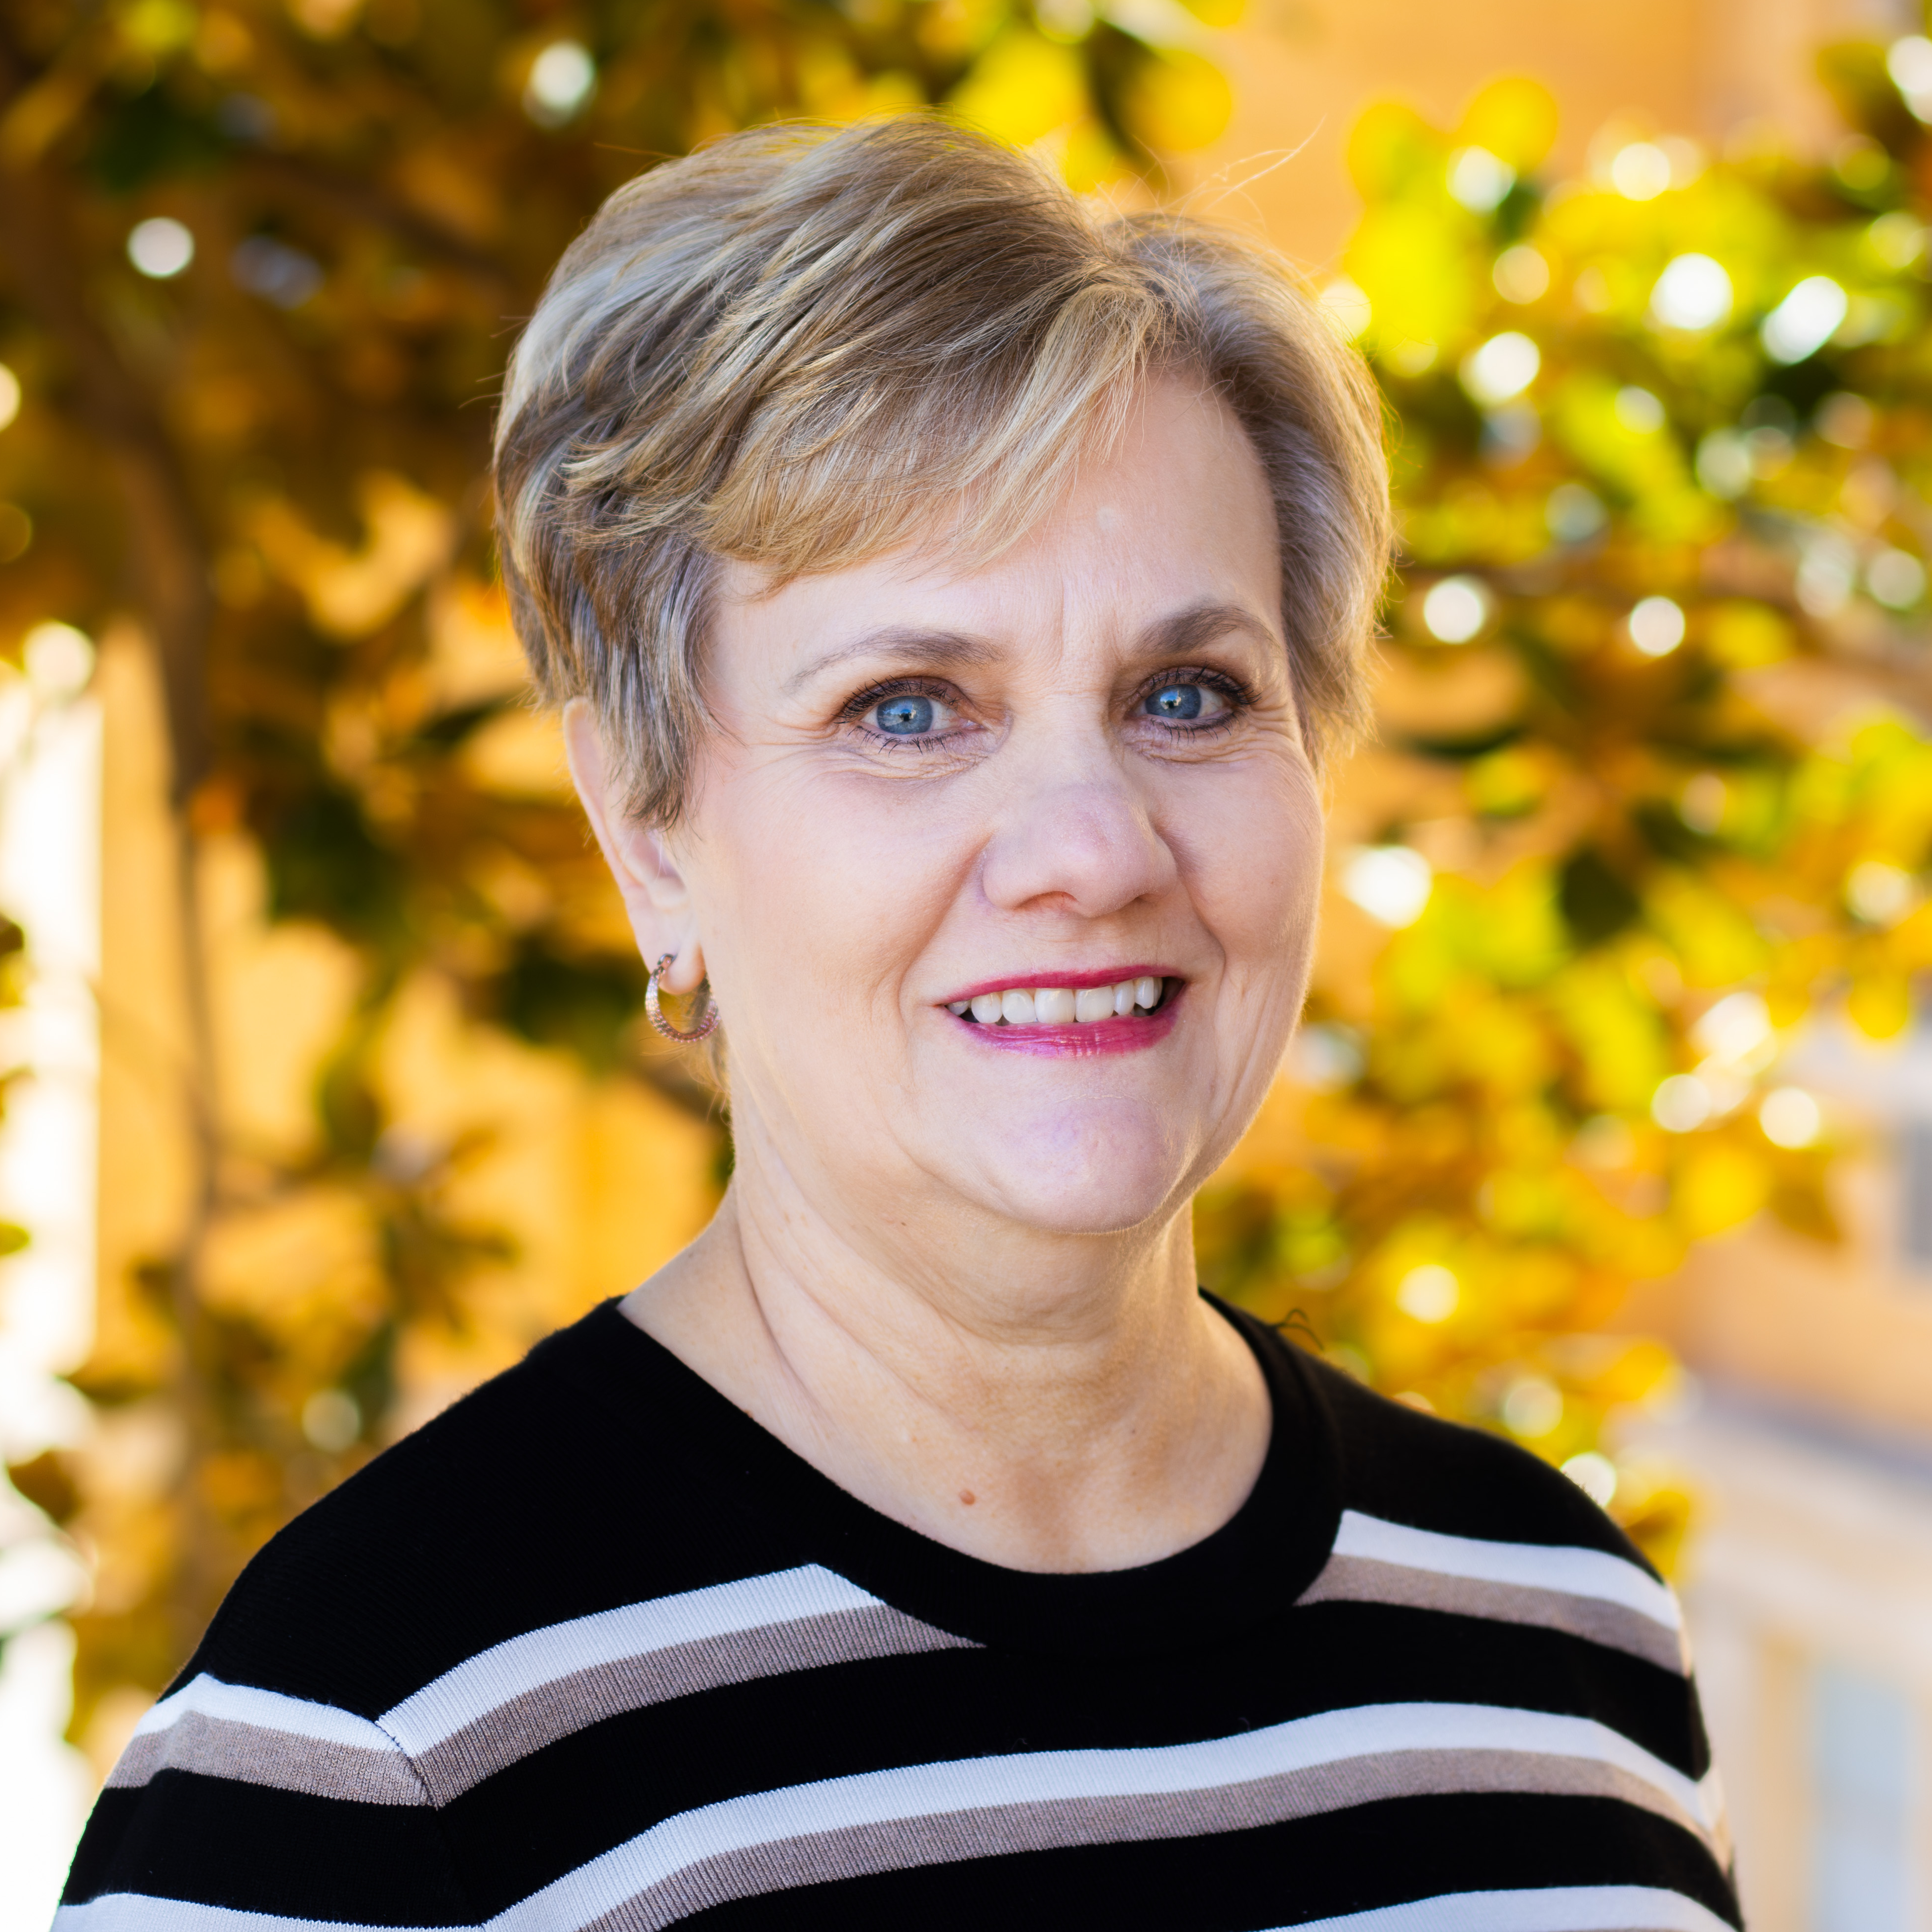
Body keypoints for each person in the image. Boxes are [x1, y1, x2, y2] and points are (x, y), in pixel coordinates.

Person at [59, 118, 1741, 1932]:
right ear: (648, 830)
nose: (1092, 850)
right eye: (909, 708)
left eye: (1189, 693)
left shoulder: (1564, 1638)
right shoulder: (374, 1749)